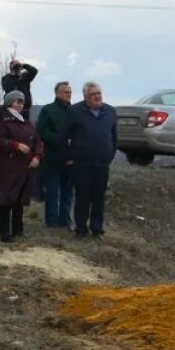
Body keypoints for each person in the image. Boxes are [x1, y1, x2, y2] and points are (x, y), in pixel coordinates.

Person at [61, 81, 117, 238]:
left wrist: (109, 156)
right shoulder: (75, 112)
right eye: (93, 94)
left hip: (102, 163)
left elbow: (114, 137)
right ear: (86, 97)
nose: (97, 97)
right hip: (82, 163)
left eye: (99, 93)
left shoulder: (110, 112)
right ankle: (81, 229)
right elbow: (63, 136)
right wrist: (68, 157)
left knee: (99, 197)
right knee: (83, 196)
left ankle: (97, 228)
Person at [0, 91, 43, 243]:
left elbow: (37, 143)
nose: (20, 104)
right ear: (9, 103)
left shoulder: (27, 122)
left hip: (25, 166)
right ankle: (5, 232)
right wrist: (15, 145)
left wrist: (37, 156)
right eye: (17, 101)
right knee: (7, 199)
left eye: (22, 101)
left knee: (20, 199)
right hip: (8, 166)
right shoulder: (2, 119)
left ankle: (18, 230)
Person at [35, 81, 73, 229]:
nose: (69, 94)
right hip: (53, 157)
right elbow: (41, 131)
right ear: (57, 93)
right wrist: (57, 138)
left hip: (70, 158)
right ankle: (52, 222)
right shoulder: (48, 110)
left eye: (70, 92)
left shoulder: (74, 111)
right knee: (53, 191)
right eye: (66, 92)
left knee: (67, 192)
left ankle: (65, 220)